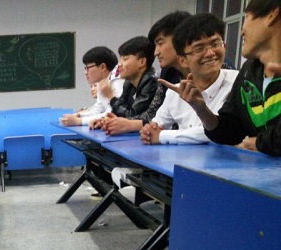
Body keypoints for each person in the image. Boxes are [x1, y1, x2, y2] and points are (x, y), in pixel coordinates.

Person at [159, 0, 281, 155]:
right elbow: (231, 131)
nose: (241, 31)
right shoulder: (249, 71)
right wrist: (202, 110)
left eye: (247, 17)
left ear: (272, 15)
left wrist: (258, 143)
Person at [140, 13, 238, 144]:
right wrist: (148, 131)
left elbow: (222, 131)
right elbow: (155, 126)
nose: (210, 53)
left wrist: (163, 136)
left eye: (215, 44)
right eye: (199, 49)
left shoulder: (238, 83)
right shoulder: (175, 92)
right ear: (183, 60)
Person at [99, 11, 191, 136]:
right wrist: (114, 122)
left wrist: (127, 122)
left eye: (160, 43)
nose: (156, 52)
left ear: (180, 39)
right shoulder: (167, 73)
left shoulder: (152, 80)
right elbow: (155, 114)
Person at [91, 36, 158, 129]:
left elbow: (132, 116)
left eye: (125, 59)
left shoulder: (151, 82)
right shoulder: (129, 82)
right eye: (120, 59)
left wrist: (111, 97)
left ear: (142, 62)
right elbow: (120, 111)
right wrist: (105, 120)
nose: (119, 64)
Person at [60, 46, 123, 126]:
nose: (85, 72)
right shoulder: (102, 82)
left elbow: (113, 114)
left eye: (88, 68)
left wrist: (79, 121)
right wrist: (78, 115)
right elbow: (98, 109)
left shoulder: (117, 82)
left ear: (102, 67)